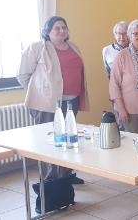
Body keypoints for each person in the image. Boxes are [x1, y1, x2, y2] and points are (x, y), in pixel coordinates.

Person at [17, 16, 89, 183]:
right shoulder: (37, 48)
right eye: (56, 28)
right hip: (48, 104)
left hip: (72, 101)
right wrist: (38, 92)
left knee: (69, 138)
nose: (61, 30)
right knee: (49, 142)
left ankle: (66, 175)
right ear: (47, 31)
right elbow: (22, 74)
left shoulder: (73, 47)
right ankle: (50, 180)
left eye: (64, 27)